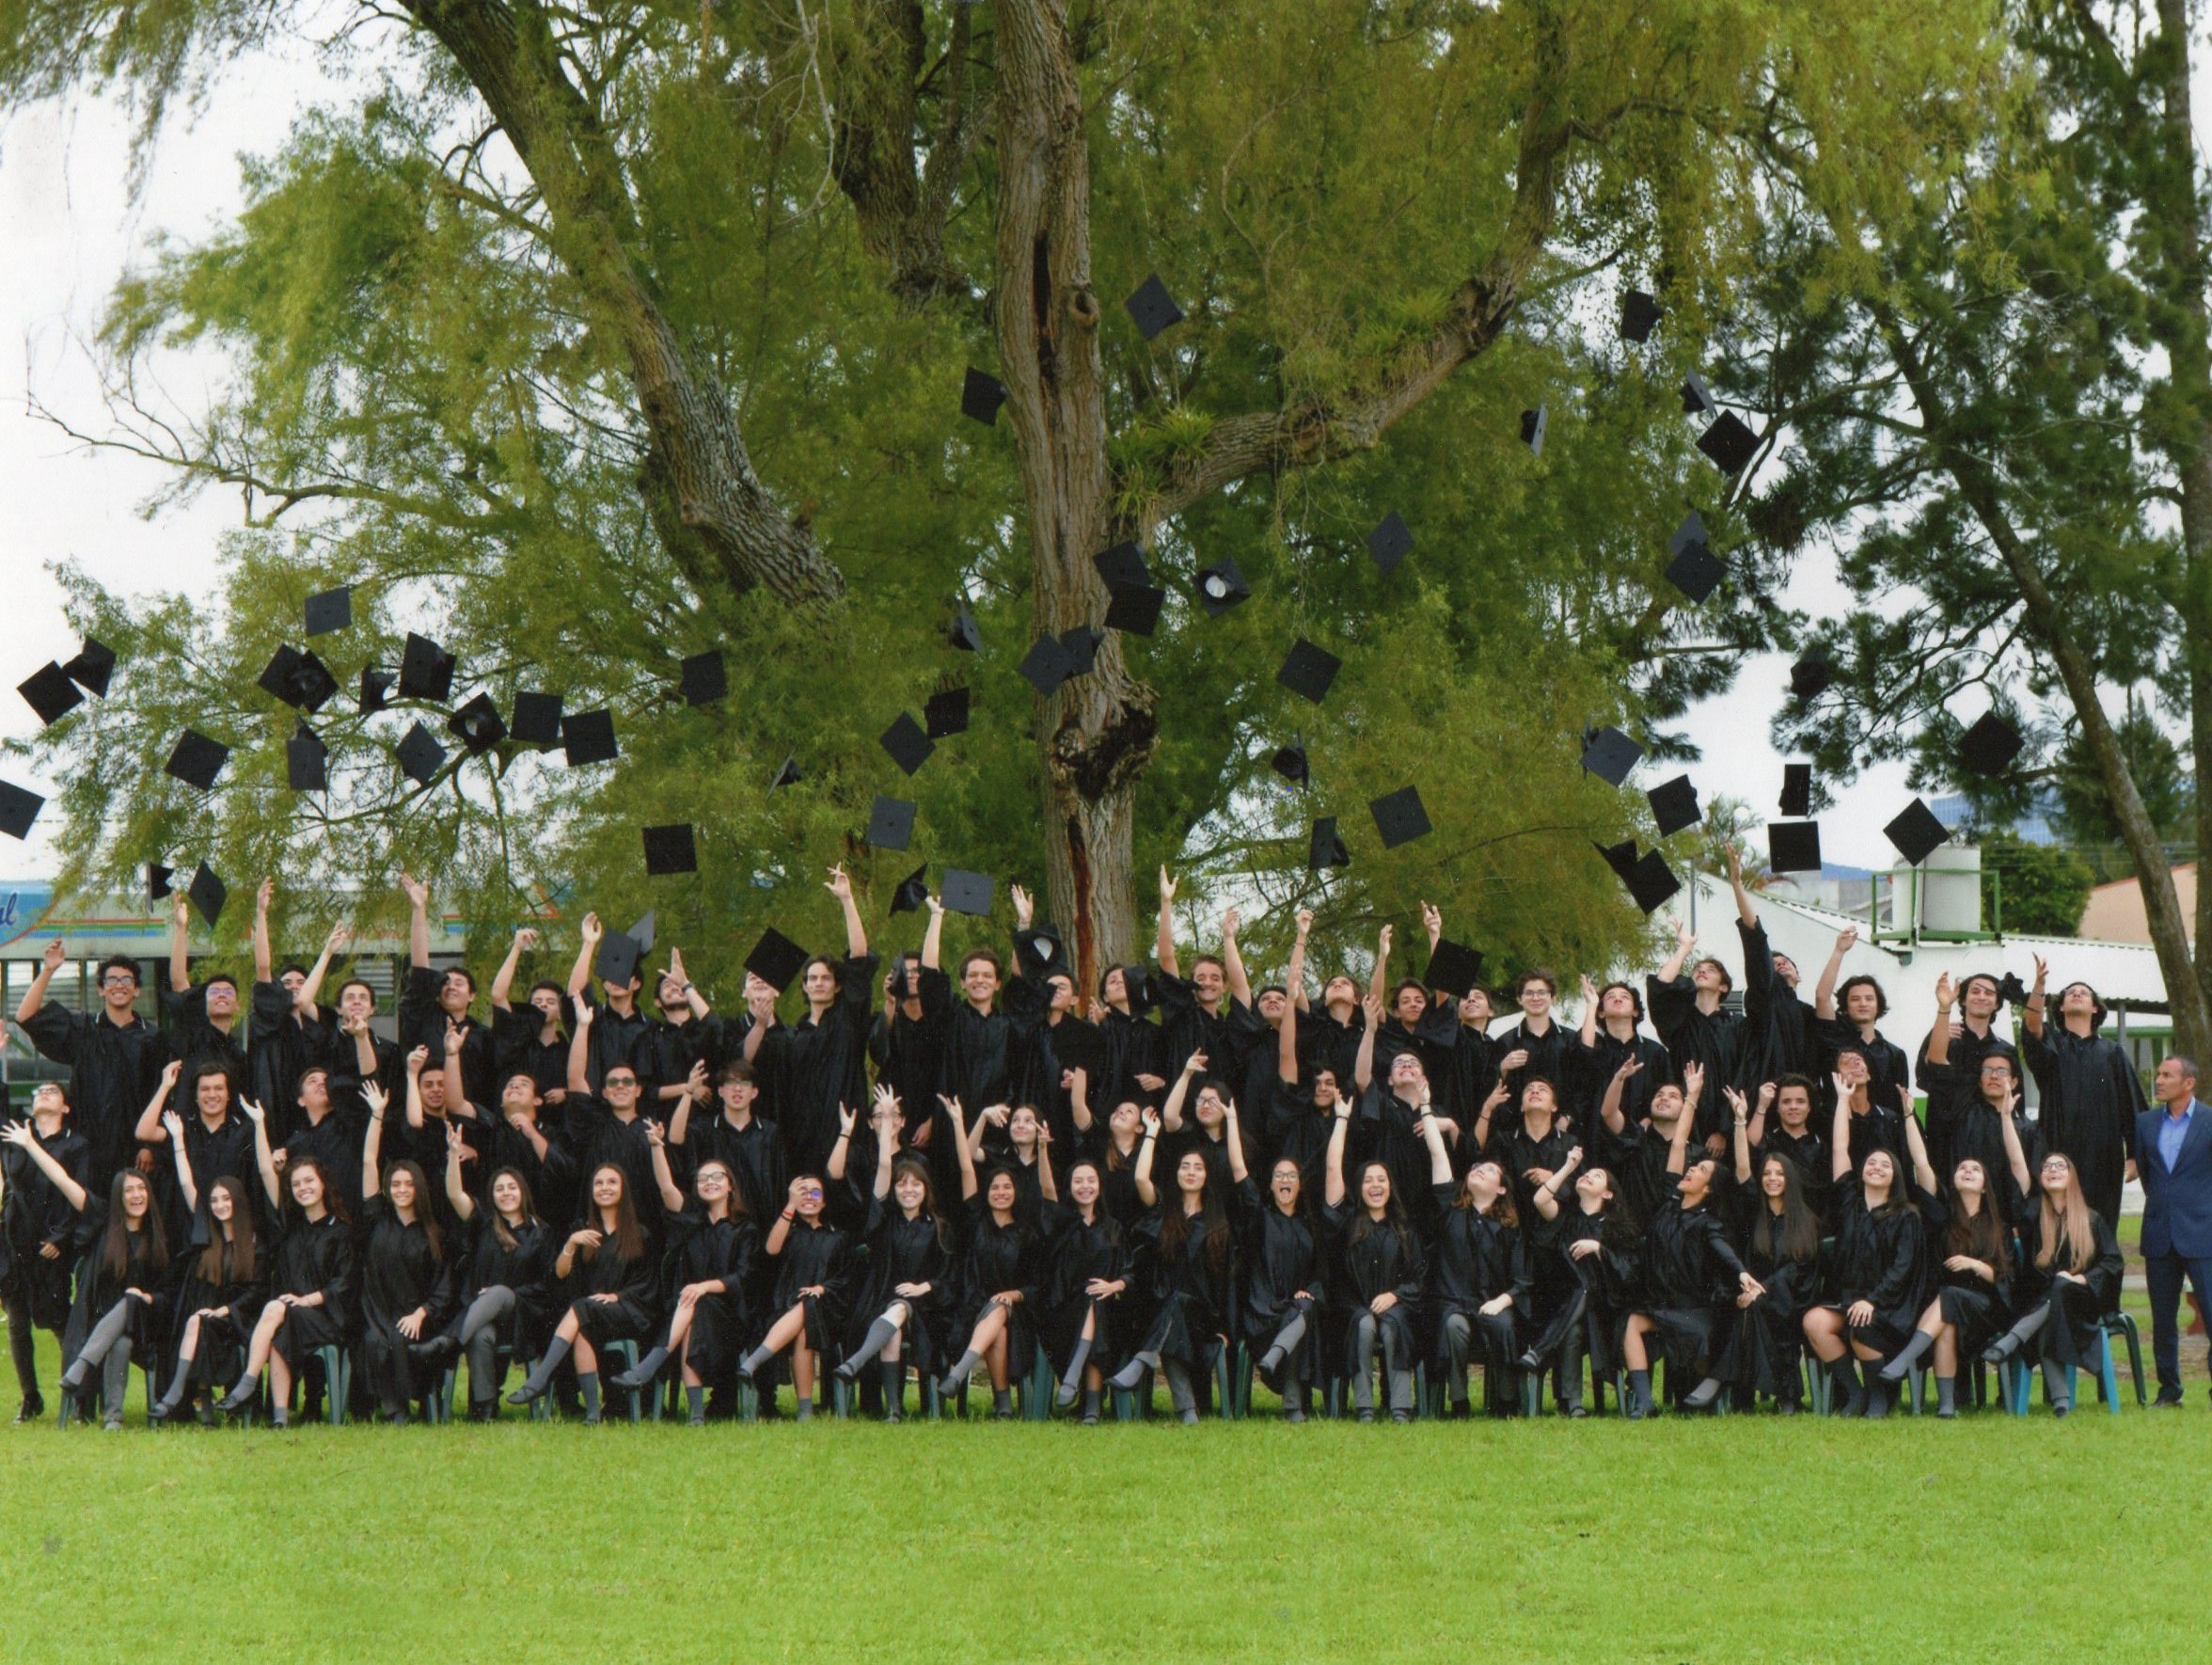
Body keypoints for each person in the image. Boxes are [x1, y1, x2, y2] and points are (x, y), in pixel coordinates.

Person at [1620, 1080, 1760, 1419]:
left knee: (1697, 1364)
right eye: (1692, 1166)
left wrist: (1742, 1272)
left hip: (1695, 1310)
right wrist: (1692, 1097)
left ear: (1709, 1189)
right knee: (1632, 1323)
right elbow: (1679, 1143)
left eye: (1700, 1170)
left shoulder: (1708, 1222)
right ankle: (1644, 1401)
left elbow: (1723, 1249)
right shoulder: (1670, 1203)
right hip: (1661, 1303)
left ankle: (1709, 1391)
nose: (1691, 1168)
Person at [1683, 1091, 1821, 1413]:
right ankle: (1786, 1394)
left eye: (1779, 1174)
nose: (1772, 1179)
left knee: (1754, 1309)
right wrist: (1741, 1121)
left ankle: (1723, 1383)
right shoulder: (1752, 1213)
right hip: (1754, 1295)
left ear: (1790, 1180)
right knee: (1744, 1308)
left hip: (1793, 1297)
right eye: (1768, 1174)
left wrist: (1762, 1290)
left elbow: (1798, 1270)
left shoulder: (1804, 1221)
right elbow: (1743, 1166)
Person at [616, 1123, 756, 1423]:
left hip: (731, 1317)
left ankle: (651, 1366)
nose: (710, 1182)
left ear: (730, 1184)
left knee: (697, 1303)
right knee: (694, 1311)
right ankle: (695, 1415)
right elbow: (666, 1187)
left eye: (717, 1177)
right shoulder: (690, 1220)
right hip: (691, 1311)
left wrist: (705, 1286)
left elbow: (742, 1277)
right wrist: (657, 1146)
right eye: (703, 1178)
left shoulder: (744, 1229)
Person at [1803, 1082, 1928, 1417]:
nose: (1876, 1167)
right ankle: (1854, 1392)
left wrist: (1873, 1300)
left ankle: (1879, 1396)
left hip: (1889, 1305)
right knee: (1815, 1321)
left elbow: (1902, 1270)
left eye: (1885, 1165)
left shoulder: (1906, 1217)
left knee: (1861, 1324)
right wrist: (1843, 1099)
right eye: (1871, 1163)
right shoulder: (1849, 1204)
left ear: (1894, 1177)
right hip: (1849, 1299)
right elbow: (1840, 1150)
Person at [1876, 1115, 2012, 1418]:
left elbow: (2001, 1276)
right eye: (1962, 1168)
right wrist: (1910, 1116)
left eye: (1975, 1170)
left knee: (1950, 1298)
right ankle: (1947, 1406)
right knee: (1947, 1320)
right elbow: (1922, 1164)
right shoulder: (1942, 1217)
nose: (1967, 1171)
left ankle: (1904, 1359)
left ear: (1984, 1186)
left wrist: (1974, 1264)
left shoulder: (1996, 1227)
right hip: (1947, 1307)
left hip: (1987, 1310)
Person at [505, 1163, 659, 1423]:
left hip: (628, 1314)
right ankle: (592, 1414)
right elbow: (561, 1274)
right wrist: (570, 1244)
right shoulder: (581, 1229)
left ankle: (541, 1378)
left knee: (581, 1308)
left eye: (612, 1182)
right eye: (598, 1183)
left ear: (623, 1189)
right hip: (588, 1313)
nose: (604, 1188)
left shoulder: (639, 1233)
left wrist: (618, 1297)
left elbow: (647, 1284)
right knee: (582, 1324)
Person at [831, 1091, 952, 1421]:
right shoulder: (885, 1221)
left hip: (927, 1309)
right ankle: (894, 1411)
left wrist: (924, 1288)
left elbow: (948, 1276)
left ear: (926, 1189)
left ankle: (855, 1363)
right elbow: (886, 1164)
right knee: (893, 1321)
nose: (908, 1189)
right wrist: (886, 1124)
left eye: (915, 1185)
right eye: (902, 1185)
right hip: (885, 1299)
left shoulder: (938, 1227)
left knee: (900, 1309)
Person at [1111, 1104, 1234, 1423]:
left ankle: (1141, 1362)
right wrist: (1151, 1133)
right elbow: (1140, 1177)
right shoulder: (1165, 1212)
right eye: (1184, 1167)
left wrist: (1225, 1329)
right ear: (1177, 1174)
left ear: (1207, 1176)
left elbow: (1227, 1282)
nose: (1191, 1171)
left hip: (1203, 1317)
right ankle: (1187, 1412)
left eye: (1198, 1167)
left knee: (1176, 1308)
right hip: (1166, 1311)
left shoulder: (1218, 1224)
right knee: (1172, 1308)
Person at [752, 867, 879, 1176]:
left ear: (838, 986)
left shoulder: (848, 1021)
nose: (819, 983)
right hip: (803, 1143)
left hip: (846, 1137)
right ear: (805, 987)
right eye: (812, 978)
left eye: (826, 978)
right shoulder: (791, 1037)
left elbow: (859, 958)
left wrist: (847, 901)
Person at [1983, 1141, 2125, 1417]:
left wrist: (2082, 1279)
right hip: (2048, 1305)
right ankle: (2061, 1404)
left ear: (2072, 1177)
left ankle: (2012, 1340)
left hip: (2085, 1304)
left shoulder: (2092, 1220)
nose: (2053, 1170)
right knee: (2052, 1309)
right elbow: (2017, 1168)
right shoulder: (2035, 1218)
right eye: (2047, 1166)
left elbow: (2112, 1262)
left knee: (2061, 1288)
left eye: (2061, 1166)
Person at [14, 940, 165, 1197]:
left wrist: (151, 1146)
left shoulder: (153, 1038)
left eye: (127, 980)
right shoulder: (84, 1028)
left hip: (136, 1150)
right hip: (87, 1147)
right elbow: (26, 1017)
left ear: (137, 990)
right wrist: (48, 970)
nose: (119, 985)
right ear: (101, 989)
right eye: (111, 980)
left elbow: (161, 1095)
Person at [217, 1156, 356, 1426]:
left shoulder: (341, 1231)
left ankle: (248, 1382)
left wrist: (305, 1300)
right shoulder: (291, 1231)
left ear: (323, 1184)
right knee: (280, 1323)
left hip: (329, 1319)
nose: (303, 1187)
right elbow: (267, 1176)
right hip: (293, 1317)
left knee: (277, 1310)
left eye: (309, 1181)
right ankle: (279, 1418)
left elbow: (344, 1283)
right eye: (296, 1183)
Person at [937, 1095, 1050, 1418]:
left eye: (1007, 1188)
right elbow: (965, 1164)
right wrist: (961, 1121)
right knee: (996, 1325)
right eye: (994, 1188)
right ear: (987, 1194)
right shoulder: (976, 1220)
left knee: (1000, 1310)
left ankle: (960, 1374)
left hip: (1019, 1311)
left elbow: (1034, 1284)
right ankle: (1003, 1405)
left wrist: (1013, 1295)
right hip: (974, 1306)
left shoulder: (1026, 1234)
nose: (1000, 1192)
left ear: (1016, 1194)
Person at [438, 1124, 558, 1420]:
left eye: (512, 1187)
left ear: (523, 1191)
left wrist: (501, 1295)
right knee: (481, 1336)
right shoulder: (484, 1224)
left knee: (502, 1292)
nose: (506, 1193)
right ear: (492, 1195)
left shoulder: (542, 1232)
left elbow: (546, 1284)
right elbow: (455, 1194)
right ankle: (485, 1409)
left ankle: (448, 1342)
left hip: (525, 1315)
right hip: (482, 1318)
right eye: (499, 1188)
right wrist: (454, 1155)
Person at [2019, 956, 2145, 1226]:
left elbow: (2131, 1106)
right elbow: (2032, 1028)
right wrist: (2039, 986)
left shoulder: (2113, 1053)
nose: (2077, 993)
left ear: (2096, 1009)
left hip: (2103, 1155)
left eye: (2084, 992)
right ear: (2061, 1008)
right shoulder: (2052, 1045)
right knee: (2055, 1223)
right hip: (2056, 1150)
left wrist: (2135, 1154)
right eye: (2071, 992)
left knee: (2099, 1224)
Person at [1418, 1113, 1526, 1417]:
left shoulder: (1510, 1228)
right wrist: (1425, 1104)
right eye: (1476, 1166)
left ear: (1501, 1188)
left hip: (1492, 1303)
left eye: (1489, 1169)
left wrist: (1501, 1302)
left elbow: (1521, 1278)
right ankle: (1460, 1401)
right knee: (1453, 1326)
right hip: (1452, 1303)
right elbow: (1438, 1154)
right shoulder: (1450, 1208)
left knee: (1505, 1325)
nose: (1478, 1169)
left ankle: (1506, 1402)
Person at [356, 1099, 455, 1422]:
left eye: (408, 1184)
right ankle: (394, 1410)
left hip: (418, 1316)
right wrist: (377, 1115)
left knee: (402, 1336)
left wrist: (420, 1314)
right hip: (377, 1312)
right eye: (395, 1184)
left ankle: (418, 1403)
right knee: (374, 1341)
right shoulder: (376, 1221)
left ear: (419, 1188)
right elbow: (370, 1160)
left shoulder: (434, 1233)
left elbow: (443, 1287)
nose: (401, 1189)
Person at [733, 1167, 858, 1420]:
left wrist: (821, 1288)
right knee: (803, 1326)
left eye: (815, 1192)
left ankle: (752, 1363)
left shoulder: (838, 1237)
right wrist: (790, 1205)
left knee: (809, 1307)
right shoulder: (787, 1230)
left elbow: (845, 1279)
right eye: (802, 1193)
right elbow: (771, 1249)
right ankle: (805, 1411)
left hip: (828, 1309)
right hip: (784, 1308)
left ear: (824, 1200)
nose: (809, 1197)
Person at [0, 1084, 93, 1423]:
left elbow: (78, 1192)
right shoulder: (16, 1134)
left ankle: (80, 1397)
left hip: (51, 1248)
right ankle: (30, 1398)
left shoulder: (76, 1145)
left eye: (52, 1091)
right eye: (38, 1091)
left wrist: (63, 1237)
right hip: (12, 1249)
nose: (42, 1093)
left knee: (59, 1320)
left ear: (66, 1107)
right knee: (18, 1324)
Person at [1519, 1148, 1635, 1416]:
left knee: (1586, 1288)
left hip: (1606, 1311)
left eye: (1596, 1176)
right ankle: (1574, 1405)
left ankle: (1540, 1351)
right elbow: (1540, 1199)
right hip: (1564, 1309)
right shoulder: (1566, 1217)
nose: (1587, 1177)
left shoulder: (1618, 1227)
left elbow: (1629, 1271)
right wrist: (1569, 1167)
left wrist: (1599, 1249)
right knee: (1573, 1330)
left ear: (1608, 1193)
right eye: (1586, 1174)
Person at [147, 1174, 267, 1424]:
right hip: (214, 1320)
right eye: (214, 1200)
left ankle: (176, 1396)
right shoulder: (209, 1244)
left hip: (243, 1318)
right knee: (195, 1322)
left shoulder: (255, 1243)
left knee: (198, 1325)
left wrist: (225, 1310)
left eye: (226, 1198)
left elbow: (257, 1292)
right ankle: (179, 1394)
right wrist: (211, 1312)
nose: (220, 1205)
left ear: (238, 1201)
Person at [1921, 974, 2042, 1225]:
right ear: (1963, 999)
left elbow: (2014, 1101)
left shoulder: (2004, 1050)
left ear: (1997, 1003)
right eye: (1975, 991)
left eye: (1989, 993)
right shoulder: (1944, 1036)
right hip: (1948, 1136)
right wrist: (1942, 1017)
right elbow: (1932, 1072)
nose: (1982, 997)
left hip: (1993, 1139)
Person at [56, 1170, 172, 1428]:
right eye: (128, 1190)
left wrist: (146, 1297)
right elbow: (67, 1184)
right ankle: (113, 1418)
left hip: (144, 1323)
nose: (136, 1195)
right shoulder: (106, 1228)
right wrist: (30, 1145)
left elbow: (167, 1293)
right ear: (119, 1197)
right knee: (119, 1343)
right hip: (106, 1326)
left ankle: (82, 1365)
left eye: (141, 1188)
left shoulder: (157, 1237)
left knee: (130, 1298)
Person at [2137, 1054, 2212, 1407]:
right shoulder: (2145, 1123)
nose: (2159, 1080)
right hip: (2159, 1233)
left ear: (2189, 1083)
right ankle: (2169, 1391)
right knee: (2163, 1318)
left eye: (2167, 1075)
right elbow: (2150, 1176)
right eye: (2159, 1074)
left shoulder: (2210, 1121)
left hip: (2203, 1232)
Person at [1039, 1155, 1130, 1423]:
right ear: (1069, 1187)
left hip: (1108, 1309)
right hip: (1064, 1309)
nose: (1085, 1186)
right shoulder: (1062, 1222)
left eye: (1091, 1180)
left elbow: (1129, 1271)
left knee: (1097, 1301)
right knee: (1091, 1300)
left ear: (1100, 1186)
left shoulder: (1113, 1228)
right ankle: (1091, 1404)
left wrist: (1115, 1284)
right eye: (1078, 1181)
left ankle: (1073, 1379)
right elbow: (1046, 1190)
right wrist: (1044, 1148)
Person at [398, 871, 497, 1108]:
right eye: (446, 983)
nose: (451, 986)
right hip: (423, 1114)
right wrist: (419, 909)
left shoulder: (483, 1035)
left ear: (472, 995)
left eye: (460, 983)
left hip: (468, 1117)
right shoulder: (424, 1018)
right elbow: (421, 967)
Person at [1647, 919, 1743, 1150]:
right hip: (1683, 1120)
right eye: (1698, 968)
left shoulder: (1737, 1026)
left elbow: (1740, 1076)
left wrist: (1724, 1129)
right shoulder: (1681, 1020)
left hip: (1725, 1126)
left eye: (1711, 970)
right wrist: (1684, 949)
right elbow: (1661, 986)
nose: (1702, 970)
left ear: (1723, 987)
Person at [1810, 928, 1910, 1111]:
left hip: (1882, 1131)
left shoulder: (1895, 1054)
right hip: (1842, 1125)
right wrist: (1839, 951)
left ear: (1878, 1005)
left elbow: (1901, 1104)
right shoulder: (1836, 1041)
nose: (1863, 1003)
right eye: (1855, 999)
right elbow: (1822, 997)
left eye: (1869, 998)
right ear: (1846, 1007)